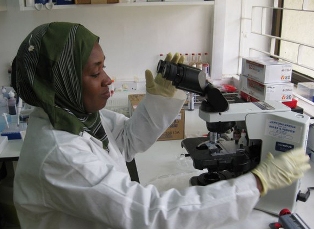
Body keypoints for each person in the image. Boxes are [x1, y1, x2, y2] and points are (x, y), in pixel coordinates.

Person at [12, 22, 310, 229]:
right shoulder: (60, 153)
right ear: (62, 81)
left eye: (104, 67)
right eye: (95, 72)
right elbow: (149, 215)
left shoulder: (78, 117)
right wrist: (254, 184)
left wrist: (160, 98)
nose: (108, 79)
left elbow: (127, 141)